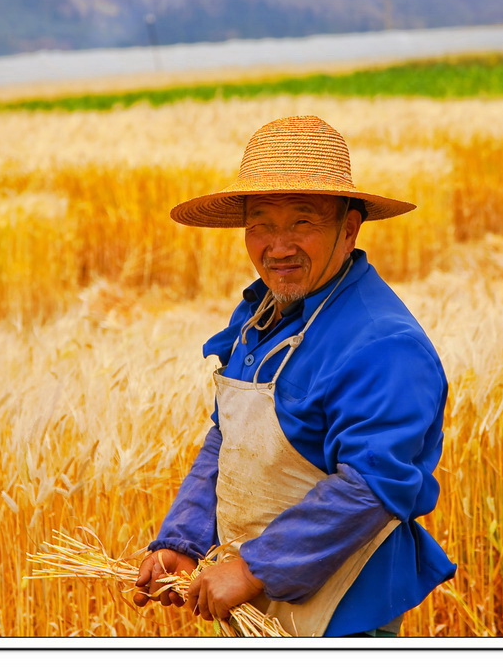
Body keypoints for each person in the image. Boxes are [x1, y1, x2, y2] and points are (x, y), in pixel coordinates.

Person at [133, 115, 456, 637]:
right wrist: (184, 541)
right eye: (261, 224)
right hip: (257, 607)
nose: (277, 246)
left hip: (341, 615)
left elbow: (372, 486)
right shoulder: (264, 315)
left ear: (349, 228)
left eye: (302, 222)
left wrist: (254, 568)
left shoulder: (384, 344)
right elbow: (229, 437)